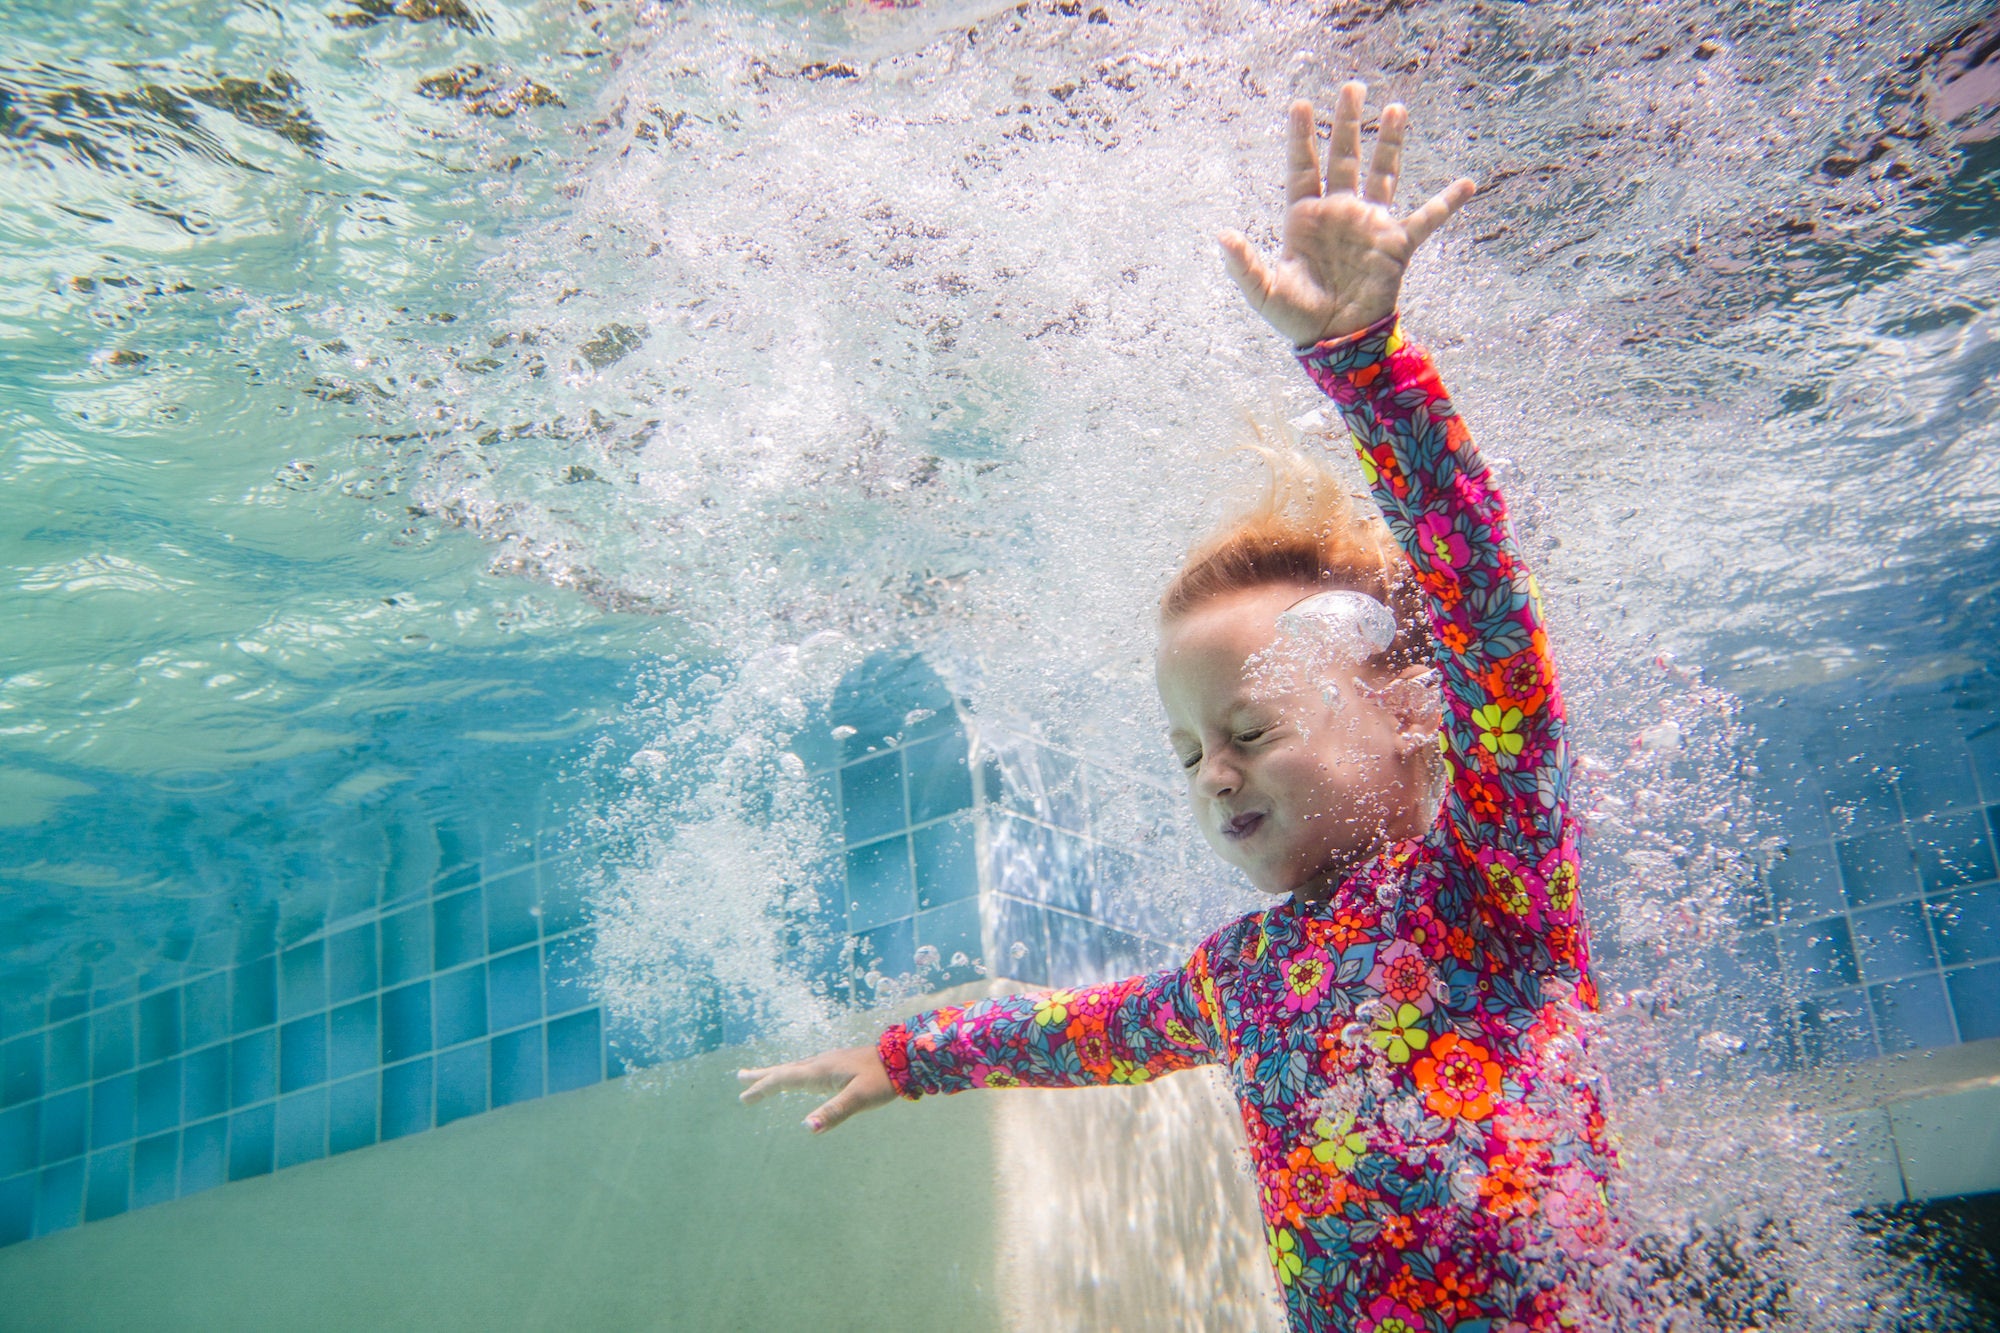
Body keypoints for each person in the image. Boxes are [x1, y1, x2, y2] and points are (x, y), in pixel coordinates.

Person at [738, 81, 1621, 1332]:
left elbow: (1487, 620)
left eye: (1247, 732)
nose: (1210, 773)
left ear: (1417, 709)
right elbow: (1079, 1032)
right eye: (1187, 750)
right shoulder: (1238, 975)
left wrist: (1363, 365)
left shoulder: (1490, 880)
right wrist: (909, 1054)